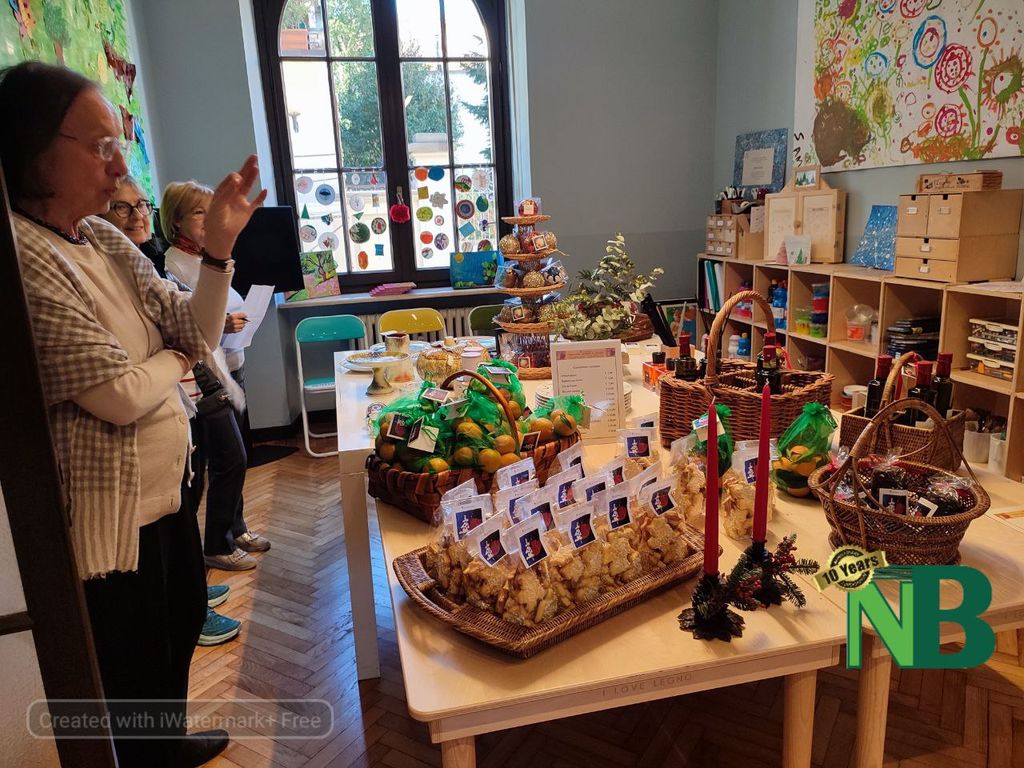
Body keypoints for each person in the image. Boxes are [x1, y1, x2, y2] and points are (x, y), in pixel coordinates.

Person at [0, 61, 266, 767]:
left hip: (166, 492)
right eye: (99, 145)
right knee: (130, 662)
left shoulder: (101, 238)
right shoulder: (24, 252)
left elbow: (195, 331)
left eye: (117, 144)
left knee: (178, 626)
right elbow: (115, 394)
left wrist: (219, 252)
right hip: (112, 520)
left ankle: (164, 746)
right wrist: (172, 360)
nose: (119, 164)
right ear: (33, 148)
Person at [101, 177, 242, 647]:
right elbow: (130, 383)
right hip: (154, 423)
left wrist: (181, 349)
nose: (138, 215)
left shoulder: (139, 263)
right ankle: (193, 605)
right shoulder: (137, 266)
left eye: (141, 205)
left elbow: (194, 329)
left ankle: (194, 595)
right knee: (181, 514)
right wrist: (180, 355)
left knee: (190, 498)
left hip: (177, 406)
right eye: (122, 208)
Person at [162, 181, 271, 570]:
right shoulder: (174, 265)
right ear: (176, 221)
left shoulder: (207, 258)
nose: (209, 220)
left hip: (232, 367)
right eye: (198, 212)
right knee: (230, 459)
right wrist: (222, 323)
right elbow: (185, 323)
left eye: (213, 212)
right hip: (207, 378)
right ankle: (217, 545)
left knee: (238, 455)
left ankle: (236, 528)